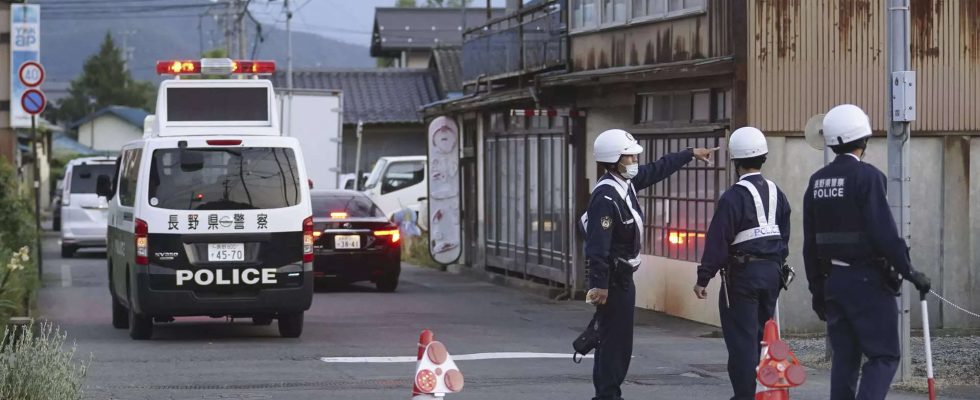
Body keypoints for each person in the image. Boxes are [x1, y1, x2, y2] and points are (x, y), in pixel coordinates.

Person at [802, 104, 931, 400]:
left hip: (833, 281)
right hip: (867, 283)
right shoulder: (868, 177)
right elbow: (884, 234)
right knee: (884, 356)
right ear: (864, 140)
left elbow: (810, 244)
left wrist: (817, 290)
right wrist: (910, 273)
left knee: (845, 362)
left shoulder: (817, 182)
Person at [582, 128, 716, 400]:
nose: (635, 162)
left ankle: (608, 393)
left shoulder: (625, 184)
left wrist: (689, 154)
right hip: (613, 281)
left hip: (623, 278)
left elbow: (658, 169)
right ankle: (607, 395)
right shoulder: (606, 196)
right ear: (614, 159)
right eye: (630, 157)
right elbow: (598, 247)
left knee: (618, 341)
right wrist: (600, 285)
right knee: (613, 342)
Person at [692, 127, 791, 400]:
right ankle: (767, 391)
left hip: (742, 275)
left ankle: (746, 396)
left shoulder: (733, 197)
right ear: (764, 157)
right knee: (764, 337)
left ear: (735, 161)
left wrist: (704, 277)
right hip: (772, 273)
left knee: (741, 341)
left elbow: (718, 240)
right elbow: (784, 234)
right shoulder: (777, 193)